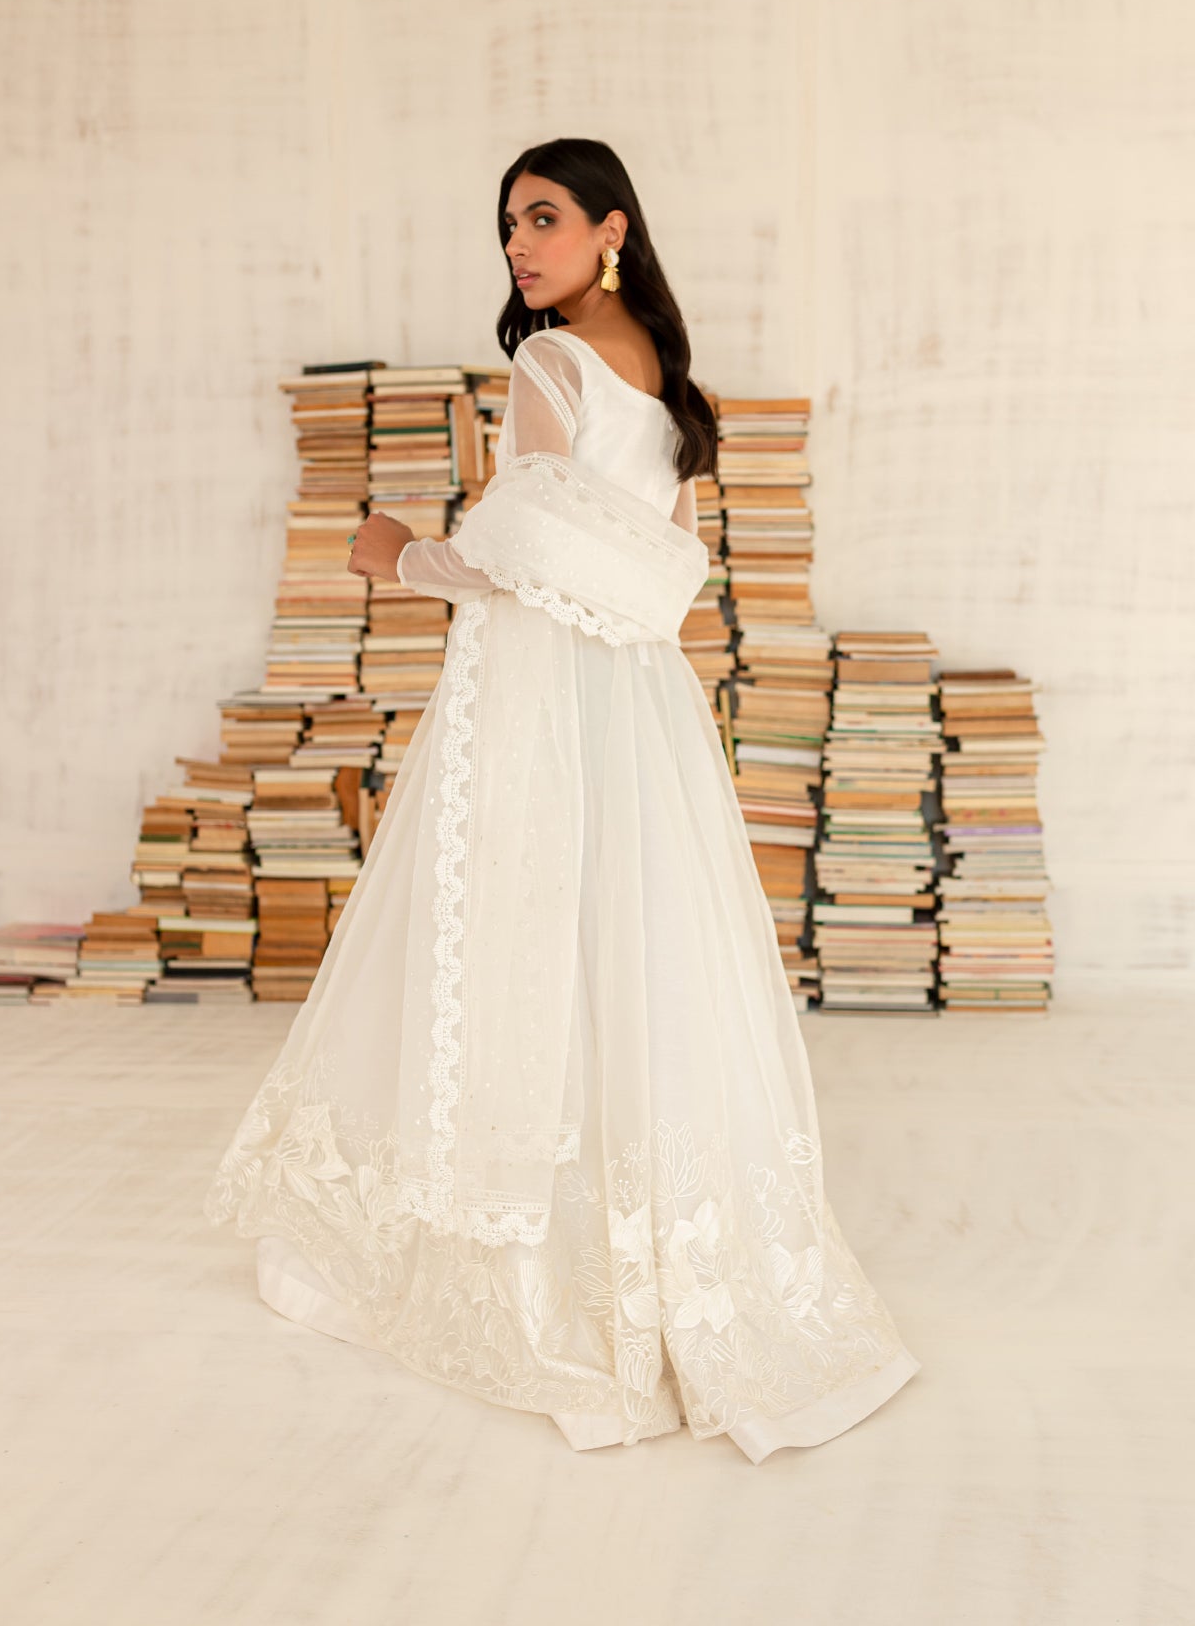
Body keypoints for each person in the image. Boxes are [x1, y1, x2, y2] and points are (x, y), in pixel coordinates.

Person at [203, 137, 921, 1462]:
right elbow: (663, 572)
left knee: (517, 941)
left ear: (611, 229)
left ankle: (529, 1254)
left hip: (545, 694)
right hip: (640, 704)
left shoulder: (549, 364)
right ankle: (648, 1244)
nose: (520, 247)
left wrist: (392, 555)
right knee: (628, 952)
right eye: (507, 228)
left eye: (542, 219)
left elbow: (516, 557)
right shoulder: (670, 390)